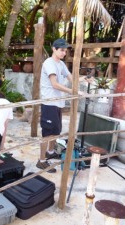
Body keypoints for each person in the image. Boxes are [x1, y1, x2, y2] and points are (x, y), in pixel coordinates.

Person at [38, 38, 93, 173]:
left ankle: (50, 152)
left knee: (55, 131)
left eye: (65, 50)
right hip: (49, 102)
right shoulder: (49, 63)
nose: (64, 53)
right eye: (61, 50)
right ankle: (41, 161)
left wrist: (84, 79)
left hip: (58, 103)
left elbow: (71, 79)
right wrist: (74, 91)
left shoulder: (61, 64)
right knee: (47, 132)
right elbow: (55, 84)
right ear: (54, 49)